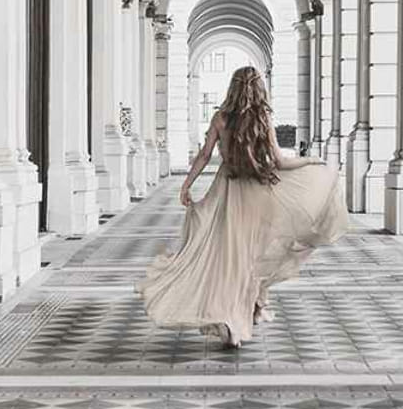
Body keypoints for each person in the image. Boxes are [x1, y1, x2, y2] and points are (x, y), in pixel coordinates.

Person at [137, 66, 348, 349]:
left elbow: (204, 155)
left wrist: (187, 184)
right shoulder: (262, 118)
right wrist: (311, 161)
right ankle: (247, 311)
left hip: (227, 192)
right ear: (259, 89)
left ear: (232, 88)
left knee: (228, 256)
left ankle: (239, 314)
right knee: (253, 254)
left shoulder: (220, 118)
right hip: (257, 193)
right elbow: (280, 162)